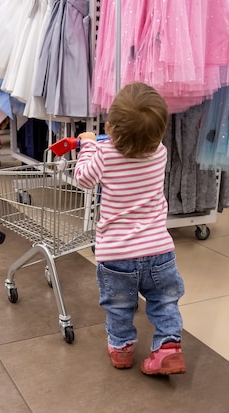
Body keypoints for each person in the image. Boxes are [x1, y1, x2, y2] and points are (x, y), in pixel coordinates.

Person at [74, 82, 186, 376]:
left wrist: (88, 145)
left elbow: (83, 179)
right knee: (165, 300)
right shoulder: (160, 152)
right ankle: (168, 348)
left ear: (109, 128)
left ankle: (122, 349)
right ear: (158, 133)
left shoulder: (105, 155)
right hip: (159, 251)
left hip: (116, 255)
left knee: (119, 305)